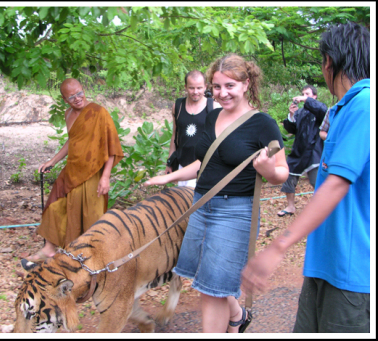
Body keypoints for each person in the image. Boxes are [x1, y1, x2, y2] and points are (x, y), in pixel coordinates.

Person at [242, 22, 370, 333]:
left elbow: (338, 184)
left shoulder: (366, 104)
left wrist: (278, 247)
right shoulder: (344, 108)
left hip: (352, 271)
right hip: (325, 263)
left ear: (328, 62)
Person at [145, 54, 289, 333]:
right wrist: (168, 176)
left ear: (246, 84)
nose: (222, 93)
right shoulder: (212, 116)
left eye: (230, 86)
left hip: (236, 211)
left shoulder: (262, 124)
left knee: (211, 289)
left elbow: (282, 171)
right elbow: (204, 163)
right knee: (207, 278)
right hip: (202, 204)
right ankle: (237, 316)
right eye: (217, 87)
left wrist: (268, 170)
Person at [27, 78, 124, 262]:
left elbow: (111, 146)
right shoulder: (68, 114)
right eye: (72, 97)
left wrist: (105, 177)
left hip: (92, 172)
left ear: (83, 89)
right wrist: (53, 161)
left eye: (79, 93)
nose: (78, 98)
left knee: (92, 216)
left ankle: (95, 257)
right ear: (65, 99)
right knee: (55, 206)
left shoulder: (98, 112)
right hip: (72, 169)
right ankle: (49, 250)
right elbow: (73, 141)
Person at [277, 85, 327, 217]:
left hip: (314, 151)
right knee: (289, 177)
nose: (304, 96)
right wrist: (292, 115)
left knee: (317, 181)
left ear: (314, 96)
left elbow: (323, 109)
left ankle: (324, 208)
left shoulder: (320, 111)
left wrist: (306, 100)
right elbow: (292, 129)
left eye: (308, 94)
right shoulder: (300, 113)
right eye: (303, 94)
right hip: (298, 151)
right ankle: (290, 206)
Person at [166, 70, 220, 187]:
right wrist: (170, 162)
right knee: (182, 203)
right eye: (191, 88)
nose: (195, 92)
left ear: (205, 87)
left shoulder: (214, 108)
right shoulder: (178, 106)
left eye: (199, 88)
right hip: (182, 165)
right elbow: (175, 135)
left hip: (204, 167)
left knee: (198, 204)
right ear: (185, 87)